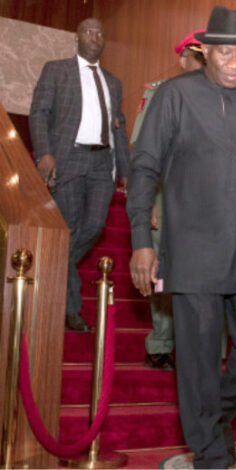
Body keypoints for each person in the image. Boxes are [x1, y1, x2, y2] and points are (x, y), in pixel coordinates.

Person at [127, 6, 236, 468]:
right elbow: (144, 166)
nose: (235, 64)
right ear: (206, 51)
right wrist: (141, 240)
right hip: (194, 247)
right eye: (225, 54)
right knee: (198, 359)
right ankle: (211, 453)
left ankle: (211, 418)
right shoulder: (175, 96)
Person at [29, 18, 130, 332]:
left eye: (100, 32)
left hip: (102, 163)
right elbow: (39, 112)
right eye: (88, 31)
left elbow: (119, 128)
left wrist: (125, 170)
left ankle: (53, 265)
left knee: (95, 225)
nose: (95, 36)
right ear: (77, 37)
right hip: (68, 158)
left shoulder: (113, 82)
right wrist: (44, 152)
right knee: (70, 227)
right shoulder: (56, 70)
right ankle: (71, 309)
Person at [130, 29, 205, 371]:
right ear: (183, 59)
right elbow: (143, 152)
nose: (202, 63)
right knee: (163, 272)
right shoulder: (160, 93)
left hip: (203, 203)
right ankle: (160, 343)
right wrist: (148, 201)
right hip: (165, 195)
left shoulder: (219, 96)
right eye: (197, 57)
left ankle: (202, 349)